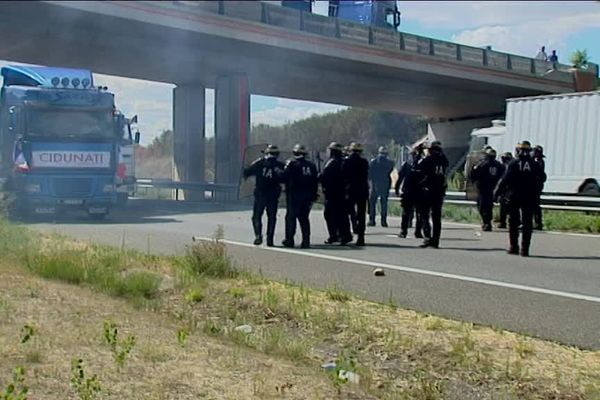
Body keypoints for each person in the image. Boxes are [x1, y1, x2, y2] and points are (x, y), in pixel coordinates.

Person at [494, 141, 546, 257]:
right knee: (527, 223)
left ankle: (514, 246)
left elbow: (504, 180)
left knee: (513, 222)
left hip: (514, 196)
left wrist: (497, 192)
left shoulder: (513, 163)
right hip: (529, 196)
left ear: (517, 151)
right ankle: (525, 249)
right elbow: (542, 177)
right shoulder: (535, 164)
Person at [243, 144, 284, 246]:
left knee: (256, 216)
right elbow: (285, 178)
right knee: (272, 217)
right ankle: (270, 240)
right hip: (274, 195)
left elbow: (247, 172)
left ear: (266, 153)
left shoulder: (259, 163)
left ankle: (258, 236)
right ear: (277, 154)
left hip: (260, 194)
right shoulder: (280, 165)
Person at [281, 144, 319, 249]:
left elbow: (284, 177)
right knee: (304, 218)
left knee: (291, 218)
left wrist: (277, 172)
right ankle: (306, 241)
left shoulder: (292, 164)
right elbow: (315, 181)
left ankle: (289, 240)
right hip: (308, 195)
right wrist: (314, 194)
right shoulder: (311, 165)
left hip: (294, 195)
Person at [414, 141, 448, 248]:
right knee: (436, 217)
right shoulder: (443, 161)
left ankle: (428, 237)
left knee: (424, 215)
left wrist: (418, 153)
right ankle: (435, 240)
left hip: (428, 191)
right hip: (439, 192)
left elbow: (417, 168)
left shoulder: (428, 160)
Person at [319, 142, 350, 244]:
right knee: (343, 215)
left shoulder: (331, 163)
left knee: (329, 215)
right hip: (343, 192)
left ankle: (334, 235)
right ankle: (345, 235)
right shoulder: (345, 162)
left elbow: (324, 177)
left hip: (332, 193)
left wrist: (319, 177)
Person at [341, 142, 369, 246]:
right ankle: (361, 237)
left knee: (345, 213)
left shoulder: (347, 161)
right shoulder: (364, 162)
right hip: (362, 190)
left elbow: (343, 176)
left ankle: (346, 235)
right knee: (361, 214)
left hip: (350, 190)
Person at [395, 144, 425, 238]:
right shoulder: (424, 164)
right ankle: (418, 232)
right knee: (419, 212)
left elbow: (400, 178)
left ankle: (404, 231)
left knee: (406, 212)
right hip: (420, 191)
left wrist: (397, 189)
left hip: (408, 191)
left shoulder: (407, 164)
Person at [470, 147, 504, 231]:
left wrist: (474, 181)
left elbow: (473, 174)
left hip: (483, 188)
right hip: (493, 188)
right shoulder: (499, 165)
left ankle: (486, 222)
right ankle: (487, 222)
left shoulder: (482, 164)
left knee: (482, 206)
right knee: (488, 206)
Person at [368, 146, 395, 227]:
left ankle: (372, 220)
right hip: (385, 183)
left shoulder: (374, 162)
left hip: (375, 183)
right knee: (384, 203)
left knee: (372, 203)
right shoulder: (390, 163)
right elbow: (390, 170)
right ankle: (384, 221)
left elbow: (369, 173)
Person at [497, 152, 513, 229]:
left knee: (507, 206)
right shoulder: (501, 167)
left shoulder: (512, 166)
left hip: (510, 189)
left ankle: (505, 222)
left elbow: (503, 180)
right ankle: (503, 222)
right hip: (506, 189)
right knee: (504, 206)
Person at [532, 145, 546, 230]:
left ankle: (538, 223)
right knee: (535, 206)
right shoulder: (539, 161)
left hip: (535, 187)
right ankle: (537, 222)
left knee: (535, 206)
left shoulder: (538, 162)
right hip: (537, 186)